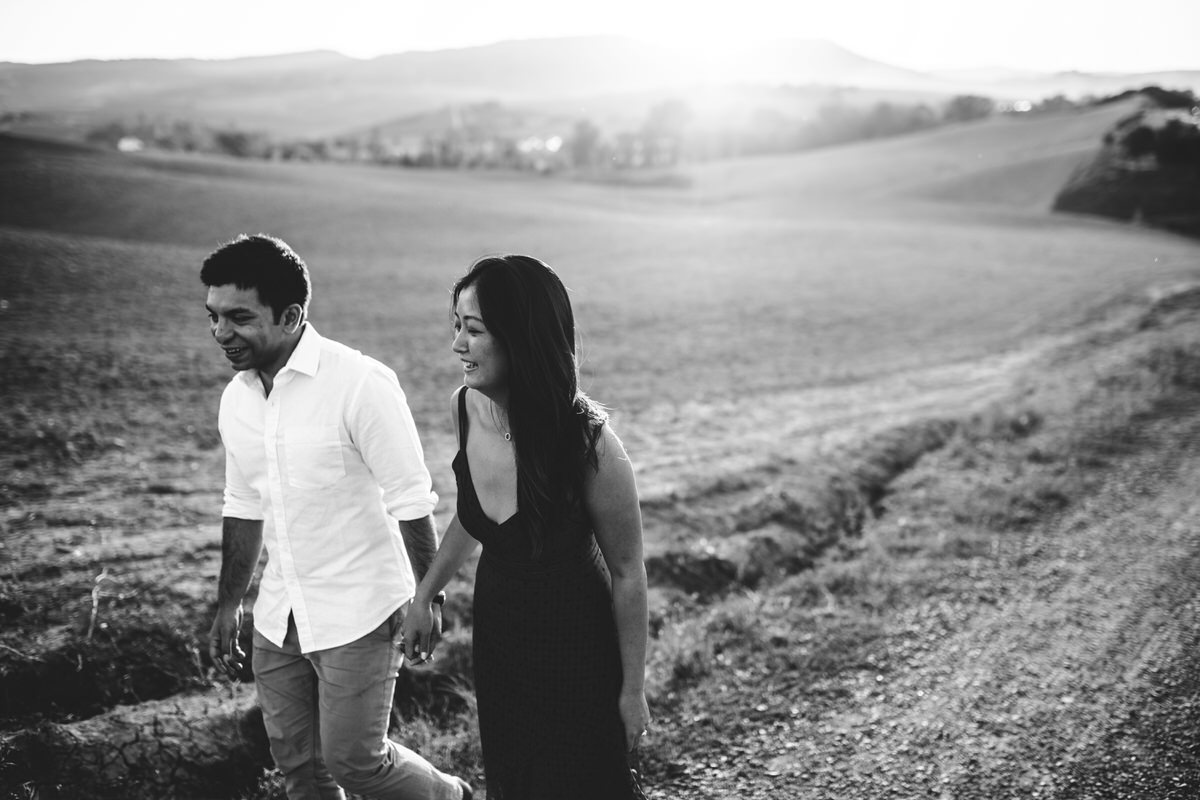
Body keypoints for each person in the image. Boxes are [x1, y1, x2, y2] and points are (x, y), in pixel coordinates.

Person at [201, 233, 472, 800]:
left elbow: (410, 497)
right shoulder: (237, 399)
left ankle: (453, 797)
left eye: (239, 317)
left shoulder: (359, 383)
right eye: (214, 316)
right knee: (300, 769)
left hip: (362, 610)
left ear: (291, 314)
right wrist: (229, 604)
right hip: (281, 614)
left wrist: (427, 597)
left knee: (356, 763)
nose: (221, 332)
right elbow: (242, 506)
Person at [402, 254, 651, 799]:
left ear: (521, 338)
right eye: (456, 327)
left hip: (577, 646)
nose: (457, 345)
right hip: (501, 634)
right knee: (516, 778)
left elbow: (629, 572)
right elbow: (472, 518)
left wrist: (633, 690)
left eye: (474, 329)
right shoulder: (464, 409)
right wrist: (425, 594)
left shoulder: (591, 445)